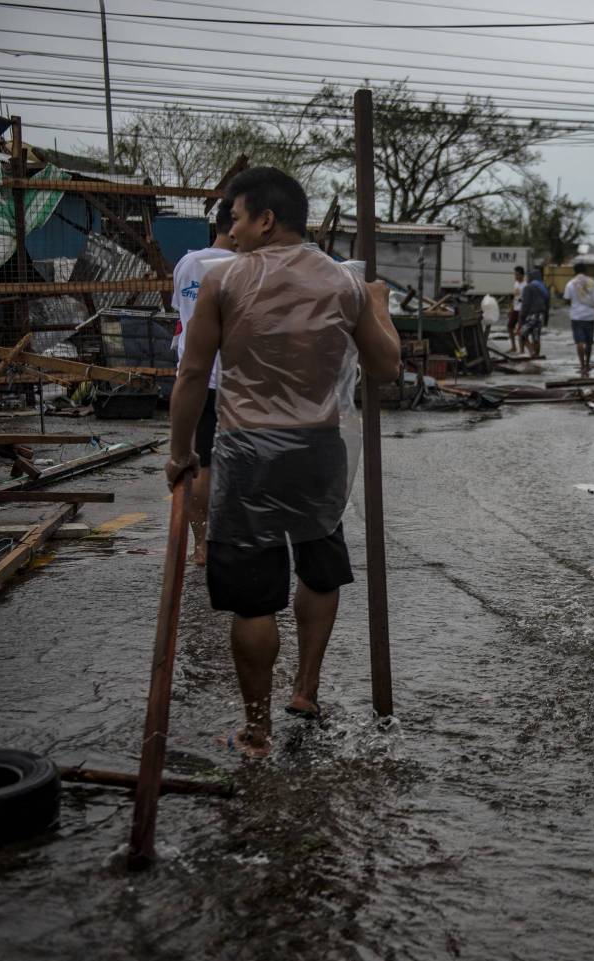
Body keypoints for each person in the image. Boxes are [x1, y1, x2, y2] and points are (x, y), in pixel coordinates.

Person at [166, 166, 401, 758]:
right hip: (318, 448)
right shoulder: (345, 285)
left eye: (237, 217)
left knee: (253, 597)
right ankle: (306, 689)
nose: (233, 230)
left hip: (248, 451)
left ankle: (257, 725)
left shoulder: (225, 282)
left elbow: (193, 375)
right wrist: (379, 303)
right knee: (319, 567)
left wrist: (180, 453)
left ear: (266, 219)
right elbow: (385, 365)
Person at [171, 202, 237, 567]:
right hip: (235, 376)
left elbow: (181, 316)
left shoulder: (187, 263)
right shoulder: (242, 267)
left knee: (202, 460)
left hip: (195, 376)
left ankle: (202, 543)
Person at [563, 261, 594, 376]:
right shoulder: (592, 283)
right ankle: (587, 365)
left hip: (576, 316)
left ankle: (582, 366)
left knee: (579, 342)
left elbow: (566, 299)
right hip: (590, 316)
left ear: (574, 271)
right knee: (589, 342)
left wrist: (574, 303)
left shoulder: (571, 283)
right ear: (585, 271)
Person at [518, 267, 550, 359]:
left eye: (528, 277)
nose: (527, 278)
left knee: (522, 334)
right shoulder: (544, 288)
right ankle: (537, 355)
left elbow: (526, 304)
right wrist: (546, 319)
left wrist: (521, 316)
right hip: (541, 316)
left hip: (531, 315)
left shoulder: (528, 287)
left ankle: (532, 353)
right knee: (536, 337)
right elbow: (547, 305)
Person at [508, 265, 525, 355]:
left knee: (520, 330)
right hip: (515, 308)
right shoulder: (516, 283)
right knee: (510, 326)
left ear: (522, 275)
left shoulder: (525, 285)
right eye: (515, 275)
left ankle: (521, 350)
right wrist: (511, 309)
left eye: (517, 275)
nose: (516, 277)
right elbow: (515, 297)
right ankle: (513, 347)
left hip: (522, 309)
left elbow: (526, 299)